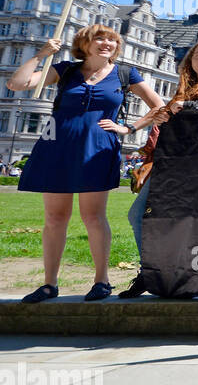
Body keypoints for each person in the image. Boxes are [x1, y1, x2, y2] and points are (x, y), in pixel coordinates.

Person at [8, 25, 165, 302]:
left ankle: (101, 281)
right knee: (55, 218)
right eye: (100, 38)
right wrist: (42, 54)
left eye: (112, 40)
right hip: (57, 146)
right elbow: (17, 84)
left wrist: (129, 128)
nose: (107, 43)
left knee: (93, 216)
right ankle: (49, 284)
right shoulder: (65, 69)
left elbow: (159, 106)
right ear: (85, 43)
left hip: (98, 149)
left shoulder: (125, 74)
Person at [120, 42, 198, 299]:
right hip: (172, 166)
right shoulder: (182, 91)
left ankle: (186, 278)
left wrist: (186, 108)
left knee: (189, 226)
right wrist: (165, 117)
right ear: (189, 61)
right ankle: (150, 271)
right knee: (140, 215)